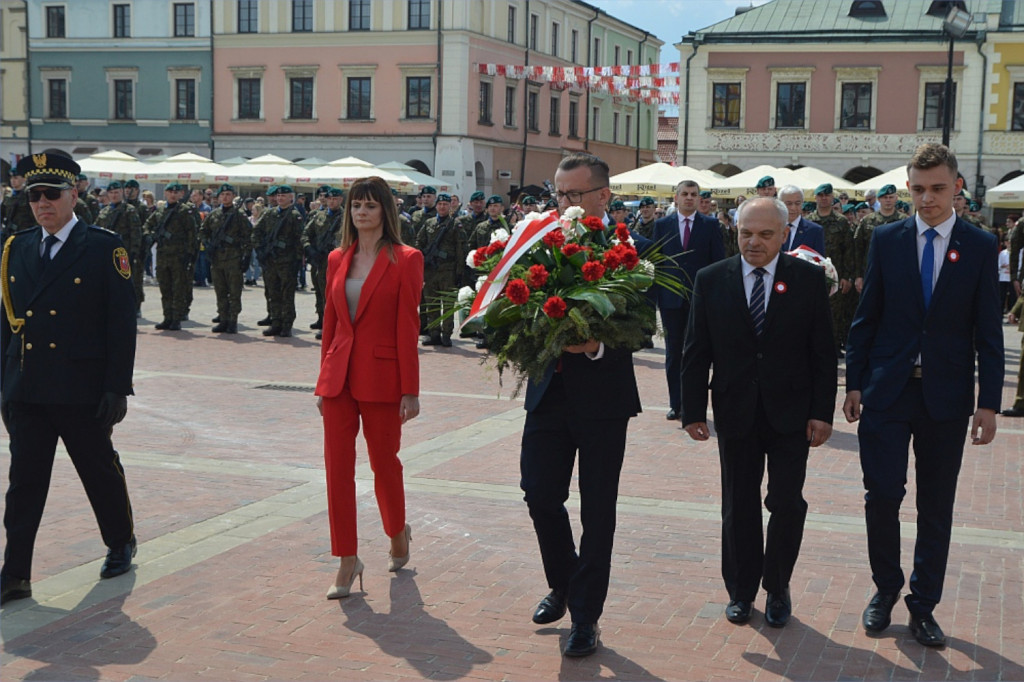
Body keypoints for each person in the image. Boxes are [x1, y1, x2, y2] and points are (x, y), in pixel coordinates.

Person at [843, 143, 1003, 647]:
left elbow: (989, 332)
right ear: (907, 188)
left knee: (936, 505)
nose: (927, 198)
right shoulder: (887, 239)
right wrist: (852, 382)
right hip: (887, 393)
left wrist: (989, 402)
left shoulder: (980, 245)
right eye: (918, 189)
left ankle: (924, 605)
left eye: (937, 188)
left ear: (956, 187)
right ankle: (885, 589)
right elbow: (867, 314)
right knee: (882, 496)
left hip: (947, 398)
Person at [681, 197, 837, 627]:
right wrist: (692, 409)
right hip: (735, 411)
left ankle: (778, 585)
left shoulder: (806, 279)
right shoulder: (712, 279)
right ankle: (741, 590)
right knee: (739, 504)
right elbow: (696, 350)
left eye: (765, 234)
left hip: (792, 413)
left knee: (786, 502)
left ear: (784, 235)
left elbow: (823, 352)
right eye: (746, 233)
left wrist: (822, 413)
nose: (754, 242)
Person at [0, 150, 137, 606]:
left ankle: (120, 542)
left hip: (81, 389)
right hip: (28, 388)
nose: (42, 203)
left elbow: (121, 322)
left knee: (97, 471)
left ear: (74, 193)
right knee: (24, 485)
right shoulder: (16, 247)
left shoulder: (102, 246)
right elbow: (6, 321)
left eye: (52, 194)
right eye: (35, 195)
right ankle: (15, 572)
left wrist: (118, 387)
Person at [521, 153, 642, 658]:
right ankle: (566, 582)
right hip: (548, 393)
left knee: (598, 511)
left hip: (603, 402)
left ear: (603, 197)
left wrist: (593, 346)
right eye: (559, 195)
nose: (564, 205)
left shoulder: (628, 249)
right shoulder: (538, 244)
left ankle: (586, 617)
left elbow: (641, 325)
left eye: (574, 195)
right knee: (539, 494)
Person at [314, 176, 422, 599]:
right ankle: (346, 559)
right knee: (336, 471)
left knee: (383, 464)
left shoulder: (406, 258)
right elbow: (330, 322)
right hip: (338, 379)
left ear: (385, 212)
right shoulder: (337, 257)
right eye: (356, 205)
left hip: (383, 380)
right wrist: (322, 381)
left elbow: (407, 327)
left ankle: (397, 531)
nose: (362, 212)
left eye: (370, 206)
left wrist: (409, 390)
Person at [652, 179, 726, 421]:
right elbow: (656, 262)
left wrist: (714, 298)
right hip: (670, 300)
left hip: (699, 299)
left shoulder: (710, 225)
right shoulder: (662, 225)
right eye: (685, 193)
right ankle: (677, 403)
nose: (689, 198)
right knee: (674, 352)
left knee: (697, 352)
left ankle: (695, 405)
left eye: (693, 194)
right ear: (676, 197)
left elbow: (718, 263)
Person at [143, 183, 199, 331]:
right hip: (162, 256)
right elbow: (148, 225)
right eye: (170, 192)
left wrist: (190, 255)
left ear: (180, 194)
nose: (173, 195)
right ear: (166, 194)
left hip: (179, 257)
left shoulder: (184, 211)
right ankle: (167, 317)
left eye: (176, 192)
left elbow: (192, 233)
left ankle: (176, 318)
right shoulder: (160, 210)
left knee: (178, 289)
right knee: (165, 288)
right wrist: (150, 236)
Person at [199, 184, 252, 334]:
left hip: (233, 258)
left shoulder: (239, 215)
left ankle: (232, 321)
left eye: (228, 194)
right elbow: (203, 231)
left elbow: (248, 236)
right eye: (223, 195)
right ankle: (223, 319)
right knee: (220, 291)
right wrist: (208, 244)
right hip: (217, 259)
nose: (225, 197)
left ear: (233, 196)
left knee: (234, 292)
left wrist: (246, 256)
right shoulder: (214, 214)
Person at [252, 185, 304, 337]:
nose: (280, 198)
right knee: (272, 293)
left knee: (286, 294)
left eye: (284, 196)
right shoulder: (269, 214)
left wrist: (297, 261)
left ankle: (287, 324)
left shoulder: (295, 216)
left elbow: (300, 239)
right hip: (270, 261)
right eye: (278, 196)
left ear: (291, 198)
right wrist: (260, 250)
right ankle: (276, 322)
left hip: (287, 262)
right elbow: (256, 232)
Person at [415, 192, 465, 347]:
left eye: (445, 204)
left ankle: (446, 334)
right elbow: (419, 241)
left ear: (450, 206)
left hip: (448, 270)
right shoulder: (429, 223)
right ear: (436, 206)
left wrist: (459, 271)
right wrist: (423, 257)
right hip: (431, 271)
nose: (442, 207)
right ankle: (434, 333)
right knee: (432, 304)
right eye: (440, 204)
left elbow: (461, 249)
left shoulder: (456, 224)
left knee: (448, 304)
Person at [303, 187, 344, 338]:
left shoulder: (347, 218)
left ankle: (333, 324)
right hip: (319, 261)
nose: (332, 202)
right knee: (320, 292)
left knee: (334, 295)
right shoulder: (318, 216)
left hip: (338, 263)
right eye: (329, 199)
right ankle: (322, 319)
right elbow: (306, 233)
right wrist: (309, 249)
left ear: (341, 200)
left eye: (335, 199)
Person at [777, 185, 825, 255]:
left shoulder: (814, 231)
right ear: (780, 204)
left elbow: (819, 260)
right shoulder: (772, 228)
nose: (793, 208)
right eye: (789, 204)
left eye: (797, 203)